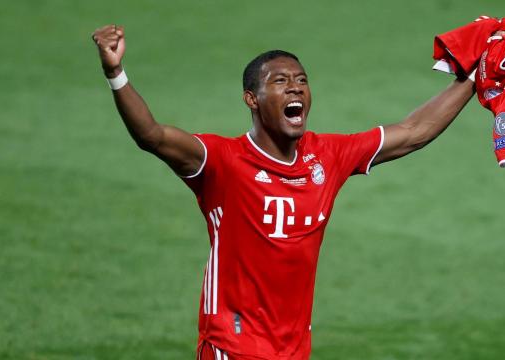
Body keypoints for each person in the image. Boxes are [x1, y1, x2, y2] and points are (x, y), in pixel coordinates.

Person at [91, 24, 475, 360]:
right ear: (251, 100)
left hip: (292, 350)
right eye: (280, 81)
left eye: (302, 80)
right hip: (231, 346)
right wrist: (116, 73)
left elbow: (414, 132)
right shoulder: (222, 161)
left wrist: (474, 77)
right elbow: (152, 136)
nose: (295, 87)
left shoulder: (329, 156)